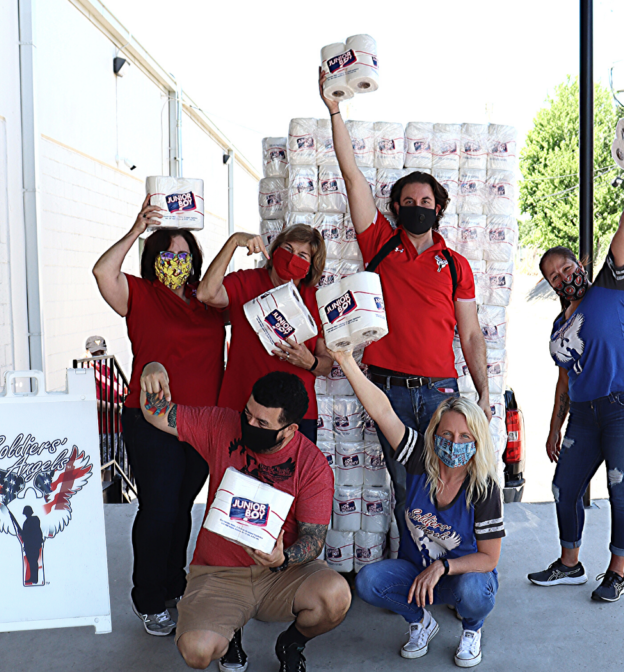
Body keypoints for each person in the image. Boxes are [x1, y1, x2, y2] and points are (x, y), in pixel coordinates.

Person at [319, 70, 490, 542]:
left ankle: (457, 563)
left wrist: (485, 392)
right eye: (409, 200)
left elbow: (471, 335)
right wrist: (334, 108)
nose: (418, 206)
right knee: (402, 485)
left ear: (440, 208)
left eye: (427, 200)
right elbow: (351, 173)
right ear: (395, 207)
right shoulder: (377, 242)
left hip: (440, 393)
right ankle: (413, 564)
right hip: (388, 392)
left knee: (453, 485)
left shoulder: (456, 266)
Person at [139, 365, 350, 672]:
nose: (249, 423)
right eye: (247, 414)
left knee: (336, 596)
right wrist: (151, 371)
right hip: (219, 574)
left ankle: (292, 642)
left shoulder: (312, 465)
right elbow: (157, 414)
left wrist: (283, 558)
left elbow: (314, 539)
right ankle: (229, 633)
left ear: (290, 428)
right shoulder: (221, 424)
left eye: (261, 422)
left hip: (279, 575)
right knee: (196, 652)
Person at [526, 156, 624, 603]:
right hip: (583, 415)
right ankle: (570, 564)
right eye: (554, 276)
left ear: (580, 265)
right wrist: (552, 427)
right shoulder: (557, 327)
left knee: (620, 489)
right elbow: (566, 379)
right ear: (550, 285)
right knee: (564, 486)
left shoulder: (609, 286)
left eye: (567, 268)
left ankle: (617, 573)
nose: (564, 276)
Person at [92, 196, 225, 635]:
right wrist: (135, 230)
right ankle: (148, 599)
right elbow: (102, 272)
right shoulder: (140, 294)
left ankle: (174, 582)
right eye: (168, 254)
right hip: (151, 420)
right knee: (159, 508)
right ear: (153, 258)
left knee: (181, 506)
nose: (177, 262)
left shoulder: (208, 301)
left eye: (185, 255)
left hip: (202, 423)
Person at [327, 348, 503, 668]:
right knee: (368, 581)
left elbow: (490, 558)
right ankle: (421, 621)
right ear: (434, 435)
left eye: (466, 436)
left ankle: (472, 629)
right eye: (446, 434)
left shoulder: (483, 487)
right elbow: (383, 411)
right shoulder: (422, 460)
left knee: (476, 591)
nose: (455, 443)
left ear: (478, 441)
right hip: (418, 572)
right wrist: (346, 360)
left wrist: (443, 568)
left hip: (462, 576)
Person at [197, 224, 333, 442]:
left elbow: (327, 364)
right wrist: (233, 241)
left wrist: (310, 362)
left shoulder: (316, 300)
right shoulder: (246, 281)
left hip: (294, 417)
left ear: (311, 265)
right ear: (275, 249)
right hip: (240, 407)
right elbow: (205, 293)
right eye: (287, 249)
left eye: (302, 255)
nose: (291, 258)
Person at [84, 335, 125, 467]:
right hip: (103, 428)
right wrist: (117, 408)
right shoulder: (86, 372)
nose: (100, 355)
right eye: (95, 353)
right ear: (87, 353)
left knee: (118, 467)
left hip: (117, 426)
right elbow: (93, 402)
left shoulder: (107, 370)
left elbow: (117, 390)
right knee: (104, 468)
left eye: (101, 352)